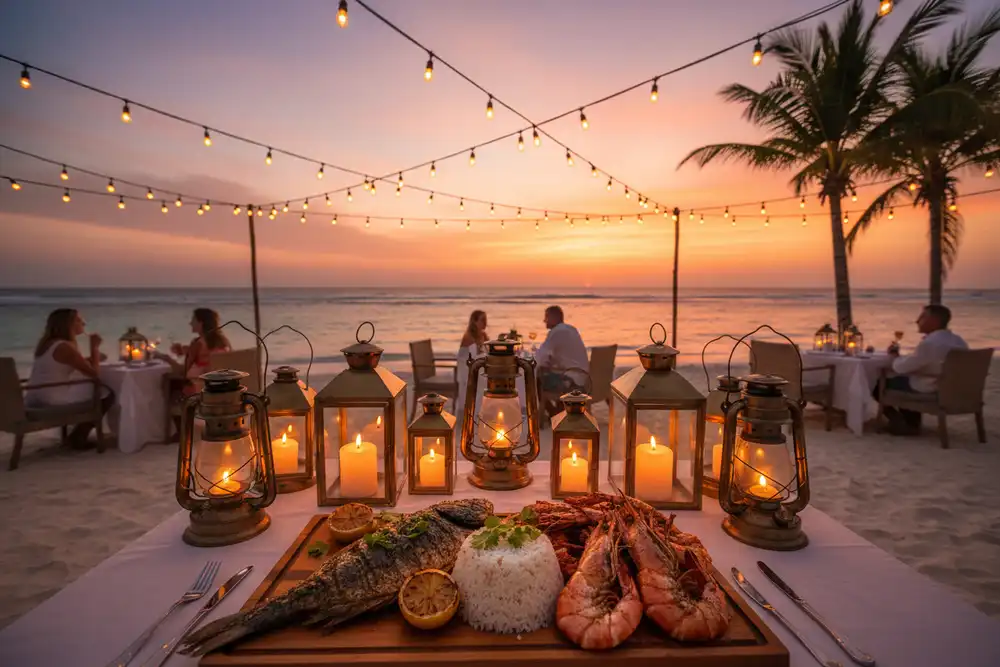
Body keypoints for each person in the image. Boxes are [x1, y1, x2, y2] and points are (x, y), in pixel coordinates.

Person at [25, 308, 113, 449]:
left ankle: (76, 436)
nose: (83, 323)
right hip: (52, 398)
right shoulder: (64, 346)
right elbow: (95, 375)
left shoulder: (48, 344)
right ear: (68, 324)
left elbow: (64, 364)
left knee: (93, 389)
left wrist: (90, 359)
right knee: (106, 392)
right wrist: (95, 348)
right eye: (78, 320)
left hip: (35, 395)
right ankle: (78, 437)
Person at [876, 304, 968, 435]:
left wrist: (895, 357)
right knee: (905, 379)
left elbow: (901, 368)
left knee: (877, 382)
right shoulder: (959, 341)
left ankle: (901, 423)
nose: (917, 321)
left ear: (934, 321)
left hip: (932, 386)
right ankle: (911, 422)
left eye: (922, 317)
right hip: (953, 388)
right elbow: (920, 362)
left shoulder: (931, 343)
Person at [157, 308, 232, 395]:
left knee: (165, 377)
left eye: (193, 320)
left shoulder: (197, 343)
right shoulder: (223, 341)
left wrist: (166, 358)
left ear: (201, 323)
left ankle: (167, 408)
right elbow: (206, 355)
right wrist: (186, 351)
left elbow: (183, 370)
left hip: (199, 386)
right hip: (221, 385)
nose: (190, 323)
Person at [535, 305, 590, 418]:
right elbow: (565, 356)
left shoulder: (556, 332)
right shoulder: (571, 329)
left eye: (546, 317)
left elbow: (540, 358)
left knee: (538, 377)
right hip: (583, 377)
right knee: (546, 373)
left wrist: (542, 362)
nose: (544, 320)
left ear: (554, 318)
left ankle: (553, 413)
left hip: (571, 381)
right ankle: (557, 411)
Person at [456, 310, 488, 426]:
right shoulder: (469, 337)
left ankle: (484, 412)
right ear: (474, 321)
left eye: (486, 320)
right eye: (482, 320)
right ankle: (476, 415)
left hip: (476, 365)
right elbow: (469, 357)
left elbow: (486, 352)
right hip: (466, 368)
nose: (485, 323)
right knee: (484, 380)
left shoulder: (483, 335)